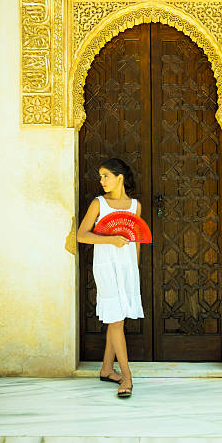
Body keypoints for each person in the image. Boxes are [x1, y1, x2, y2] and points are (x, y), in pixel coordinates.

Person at [77, 158, 144, 398]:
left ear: (120, 178)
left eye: (106, 175)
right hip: (105, 266)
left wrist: (133, 269)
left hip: (127, 268)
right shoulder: (99, 204)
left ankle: (106, 369)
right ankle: (126, 375)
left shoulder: (135, 205)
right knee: (115, 320)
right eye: (100, 176)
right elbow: (82, 235)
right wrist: (110, 240)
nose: (101, 180)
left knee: (118, 318)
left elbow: (136, 240)